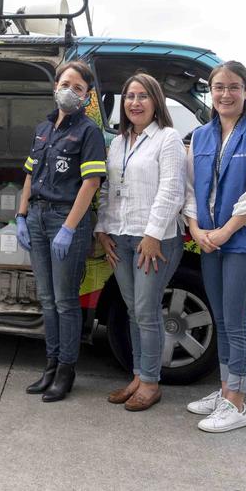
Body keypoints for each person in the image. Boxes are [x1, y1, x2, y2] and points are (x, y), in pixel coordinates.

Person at [183, 60, 246, 433]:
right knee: (221, 320)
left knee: (237, 323)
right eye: (218, 87)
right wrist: (194, 227)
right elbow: (191, 189)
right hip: (209, 240)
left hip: (245, 242)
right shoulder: (201, 136)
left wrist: (223, 232)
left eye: (233, 87)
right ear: (211, 92)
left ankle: (236, 404)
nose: (225, 94)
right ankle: (226, 388)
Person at [16, 60, 106, 402]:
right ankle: (50, 366)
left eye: (78, 88)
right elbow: (29, 174)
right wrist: (21, 215)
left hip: (65, 219)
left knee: (66, 302)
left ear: (86, 97)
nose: (69, 91)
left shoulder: (88, 132)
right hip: (37, 218)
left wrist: (68, 229)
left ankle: (66, 370)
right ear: (55, 86)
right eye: (65, 83)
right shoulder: (42, 129)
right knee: (47, 300)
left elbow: (91, 182)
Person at [96, 73, 185, 411]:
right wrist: (103, 230)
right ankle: (138, 376)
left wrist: (152, 235)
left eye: (142, 96)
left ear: (156, 101)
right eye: (130, 96)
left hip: (156, 241)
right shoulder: (118, 143)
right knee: (133, 310)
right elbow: (108, 190)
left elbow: (171, 190)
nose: (135, 102)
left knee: (147, 311)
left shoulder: (168, 139)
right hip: (120, 236)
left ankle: (150, 383)